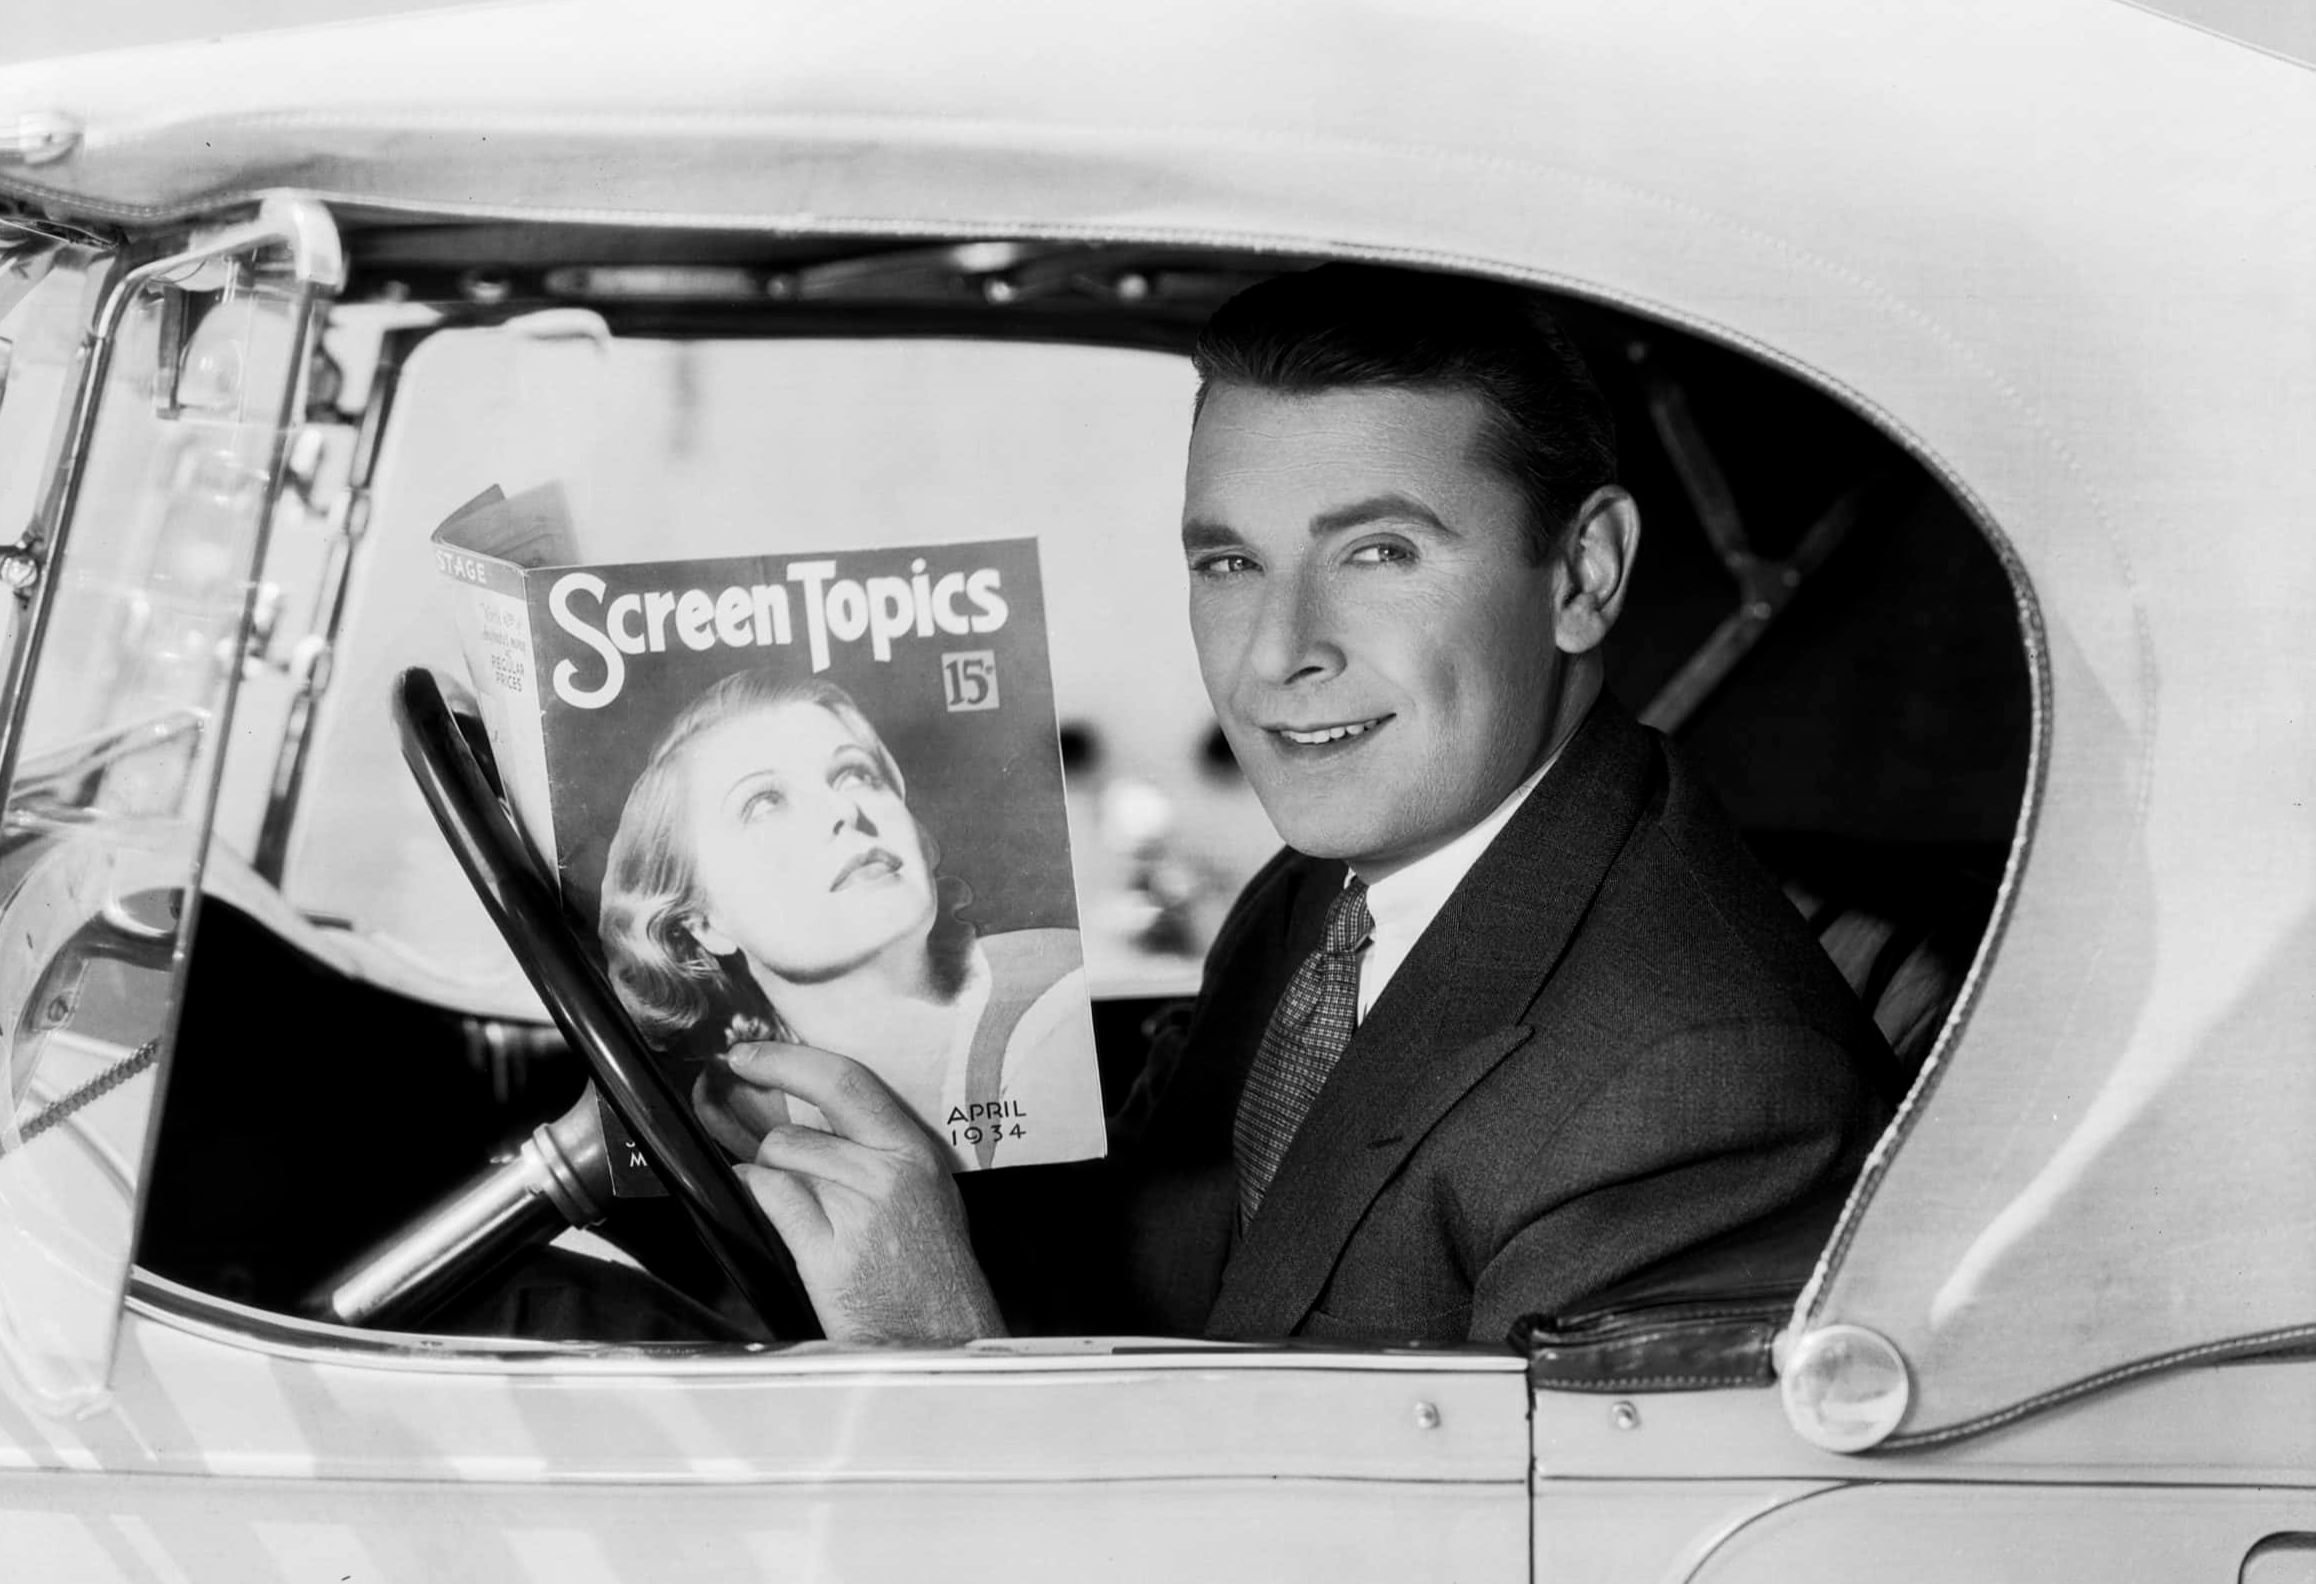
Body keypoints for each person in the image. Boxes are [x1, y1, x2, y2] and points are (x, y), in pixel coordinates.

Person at [717, 264, 1902, 1345]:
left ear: (1583, 574)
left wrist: (938, 1358)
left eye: (1378, 553)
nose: (1280, 654)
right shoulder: (1326, 898)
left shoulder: (1701, 1093)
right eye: (1231, 564)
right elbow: (1162, 1277)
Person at [596, 668, 1096, 1173]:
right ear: (702, 924)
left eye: (855, 774)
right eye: (764, 802)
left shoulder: (1057, 1000)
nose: (844, 808)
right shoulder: (734, 1104)